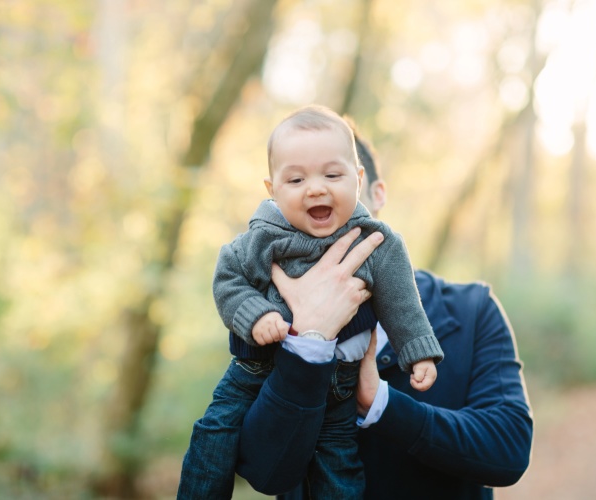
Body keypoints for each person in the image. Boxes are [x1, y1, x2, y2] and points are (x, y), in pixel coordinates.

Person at [235, 127, 534, 499]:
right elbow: (263, 472)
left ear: (374, 193)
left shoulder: (472, 310)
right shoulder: (266, 319)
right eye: (299, 184)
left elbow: (508, 450)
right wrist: (307, 342)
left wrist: (383, 405)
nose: (321, 201)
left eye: (336, 180)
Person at [177, 105, 443, 498]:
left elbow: (402, 301)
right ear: (273, 190)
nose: (315, 188)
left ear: (359, 178)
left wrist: (417, 350)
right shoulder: (263, 238)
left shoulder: (376, 242)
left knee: (338, 462)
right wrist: (256, 315)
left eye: (332, 175)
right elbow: (228, 281)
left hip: (342, 381)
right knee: (214, 432)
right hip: (255, 369)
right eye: (296, 179)